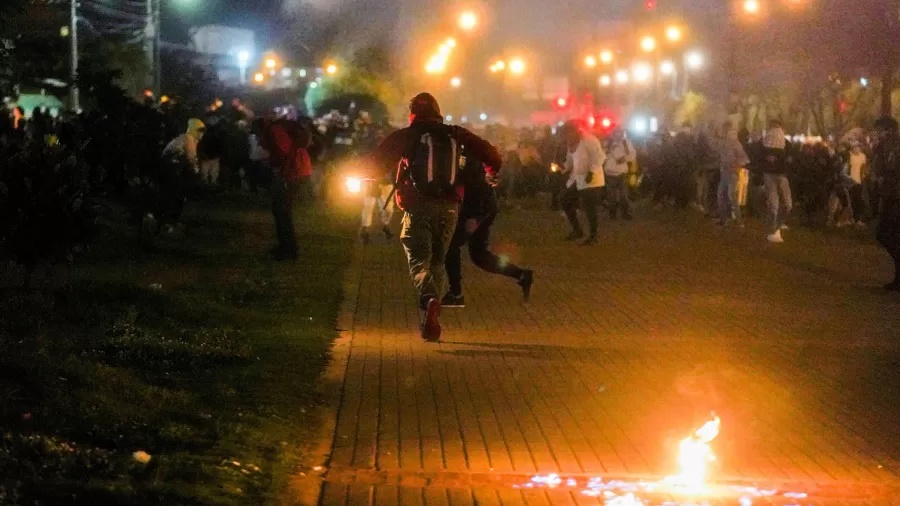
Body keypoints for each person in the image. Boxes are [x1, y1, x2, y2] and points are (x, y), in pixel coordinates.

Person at [368, 93, 502, 341]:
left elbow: (377, 161)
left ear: (413, 113)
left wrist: (365, 176)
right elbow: (490, 153)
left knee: (419, 260)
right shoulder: (456, 133)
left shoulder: (409, 134)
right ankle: (431, 318)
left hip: (418, 206)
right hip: (450, 208)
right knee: (439, 261)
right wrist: (492, 171)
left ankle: (429, 300)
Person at [442, 154, 534, 308]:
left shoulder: (463, 153)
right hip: (481, 207)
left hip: (478, 208)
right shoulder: (456, 152)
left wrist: (475, 218)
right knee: (479, 256)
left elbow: (476, 183)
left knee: (451, 247)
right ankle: (521, 274)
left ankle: (455, 294)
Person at [262, 117, 314, 261]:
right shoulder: (280, 128)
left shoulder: (274, 130)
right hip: (298, 170)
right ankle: (286, 246)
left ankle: (288, 249)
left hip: (292, 172)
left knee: (282, 211)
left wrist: (275, 164)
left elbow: (283, 151)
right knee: (282, 211)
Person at [560, 120, 607, 245]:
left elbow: (600, 157)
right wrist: (563, 168)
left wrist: (591, 172)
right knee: (564, 200)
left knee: (590, 208)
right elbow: (570, 159)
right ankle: (577, 230)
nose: (566, 137)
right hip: (579, 178)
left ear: (575, 131)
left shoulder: (590, 140)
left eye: (568, 133)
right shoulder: (571, 143)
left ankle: (594, 236)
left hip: (592, 180)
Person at [871, 117, 900, 290]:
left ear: (888, 130)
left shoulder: (893, 146)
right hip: (892, 194)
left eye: (879, 131)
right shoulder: (886, 146)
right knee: (889, 234)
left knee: (886, 233)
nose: (877, 134)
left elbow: (890, 169)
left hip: (896, 195)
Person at [761, 119, 792, 243]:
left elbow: (790, 159)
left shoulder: (787, 144)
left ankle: (777, 226)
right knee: (774, 205)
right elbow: (757, 156)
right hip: (769, 175)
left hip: (781, 176)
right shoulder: (763, 144)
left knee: (788, 205)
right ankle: (772, 231)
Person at [716, 121, 751, 227]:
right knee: (721, 195)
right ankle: (724, 219)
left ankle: (739, 220)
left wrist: (737, 166)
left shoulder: (735, 143)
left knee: (731, 196)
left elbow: (744, 158)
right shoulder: (722, 142)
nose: (725, 131)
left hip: (732, 173)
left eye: (727, 129)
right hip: (724, 172)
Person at [603, 128, 635, 220]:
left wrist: (624, 158)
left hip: (622, 173)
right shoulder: (607, 143)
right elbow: (601, 155)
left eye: (619, 133)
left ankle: (625, 213)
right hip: (610, 173)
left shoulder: (625, 143)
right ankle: (612, 213)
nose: (618, 135)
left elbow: (632, 154)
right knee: (611, 196)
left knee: (623, 195)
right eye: (616, 132)